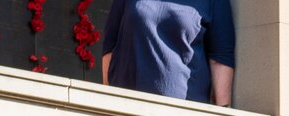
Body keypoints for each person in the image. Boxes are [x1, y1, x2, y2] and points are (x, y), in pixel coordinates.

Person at [100, 0, 234, 106]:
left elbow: (220, 58)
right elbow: (110, 46)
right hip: (128, 104)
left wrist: (223, 115)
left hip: (185, 112)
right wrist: (110, 100)